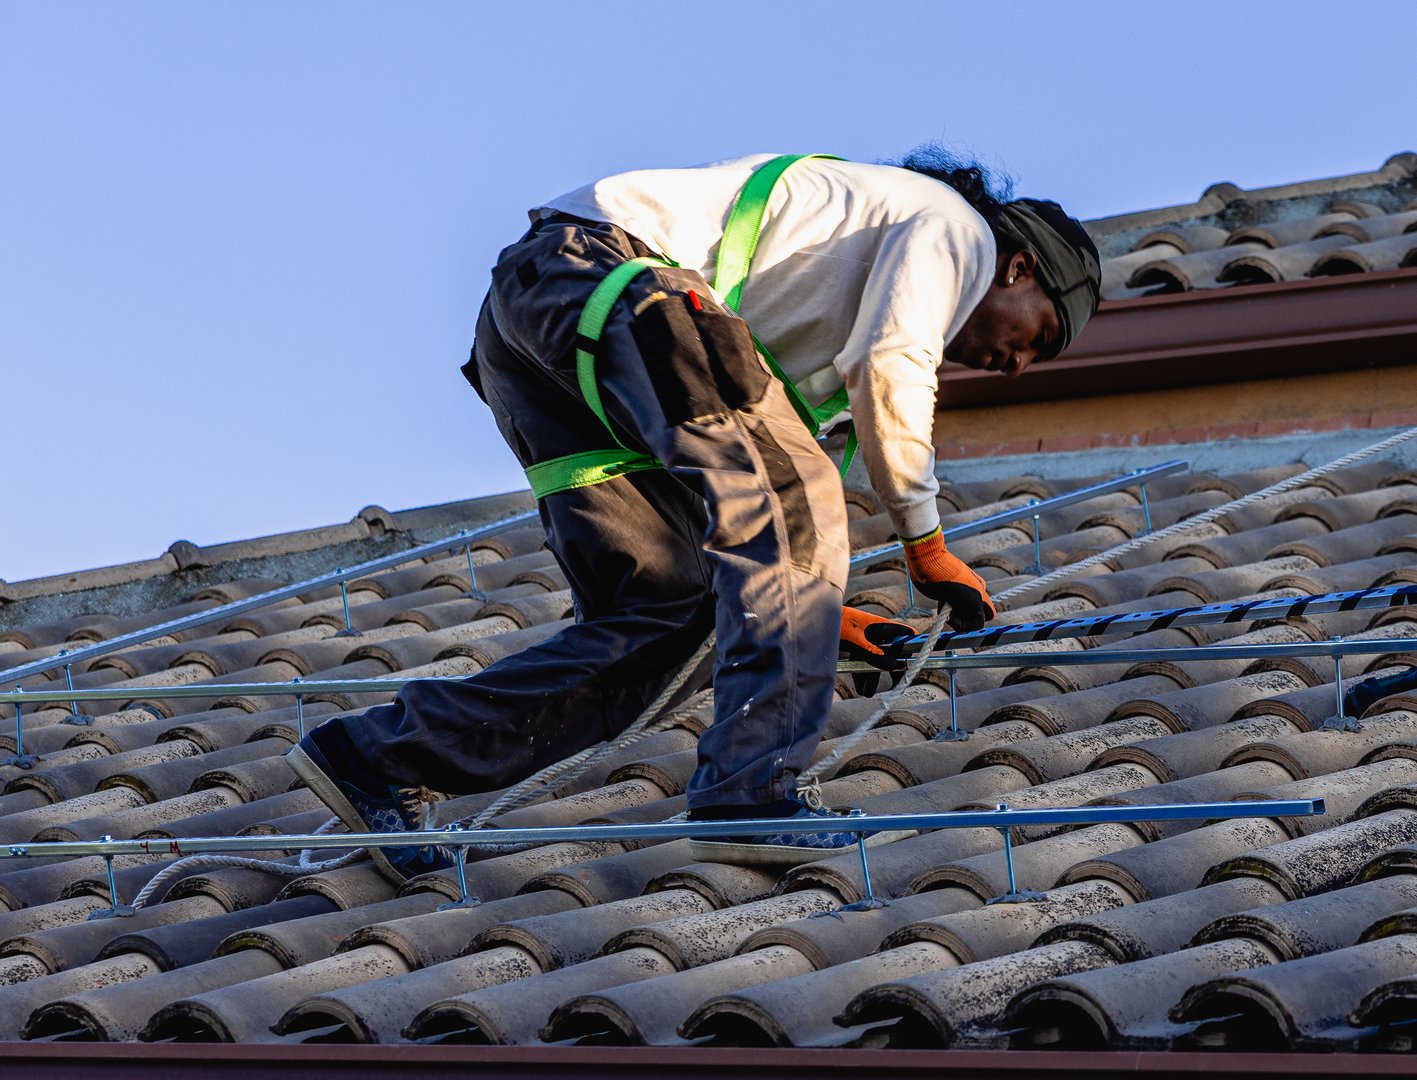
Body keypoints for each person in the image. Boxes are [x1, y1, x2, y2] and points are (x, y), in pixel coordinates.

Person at [286, 146, 1101, 882]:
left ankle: (377, 755)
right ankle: (751, 796)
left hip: (537, 324)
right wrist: (924, 547)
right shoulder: (953, 227)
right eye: (1038, 337)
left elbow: (744, 523)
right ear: (1018, 267)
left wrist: (818, 616)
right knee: (797, 495)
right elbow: (886, 373)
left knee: (671, 614)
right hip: (620, 279)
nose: (1017, 364)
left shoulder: (823, 300)